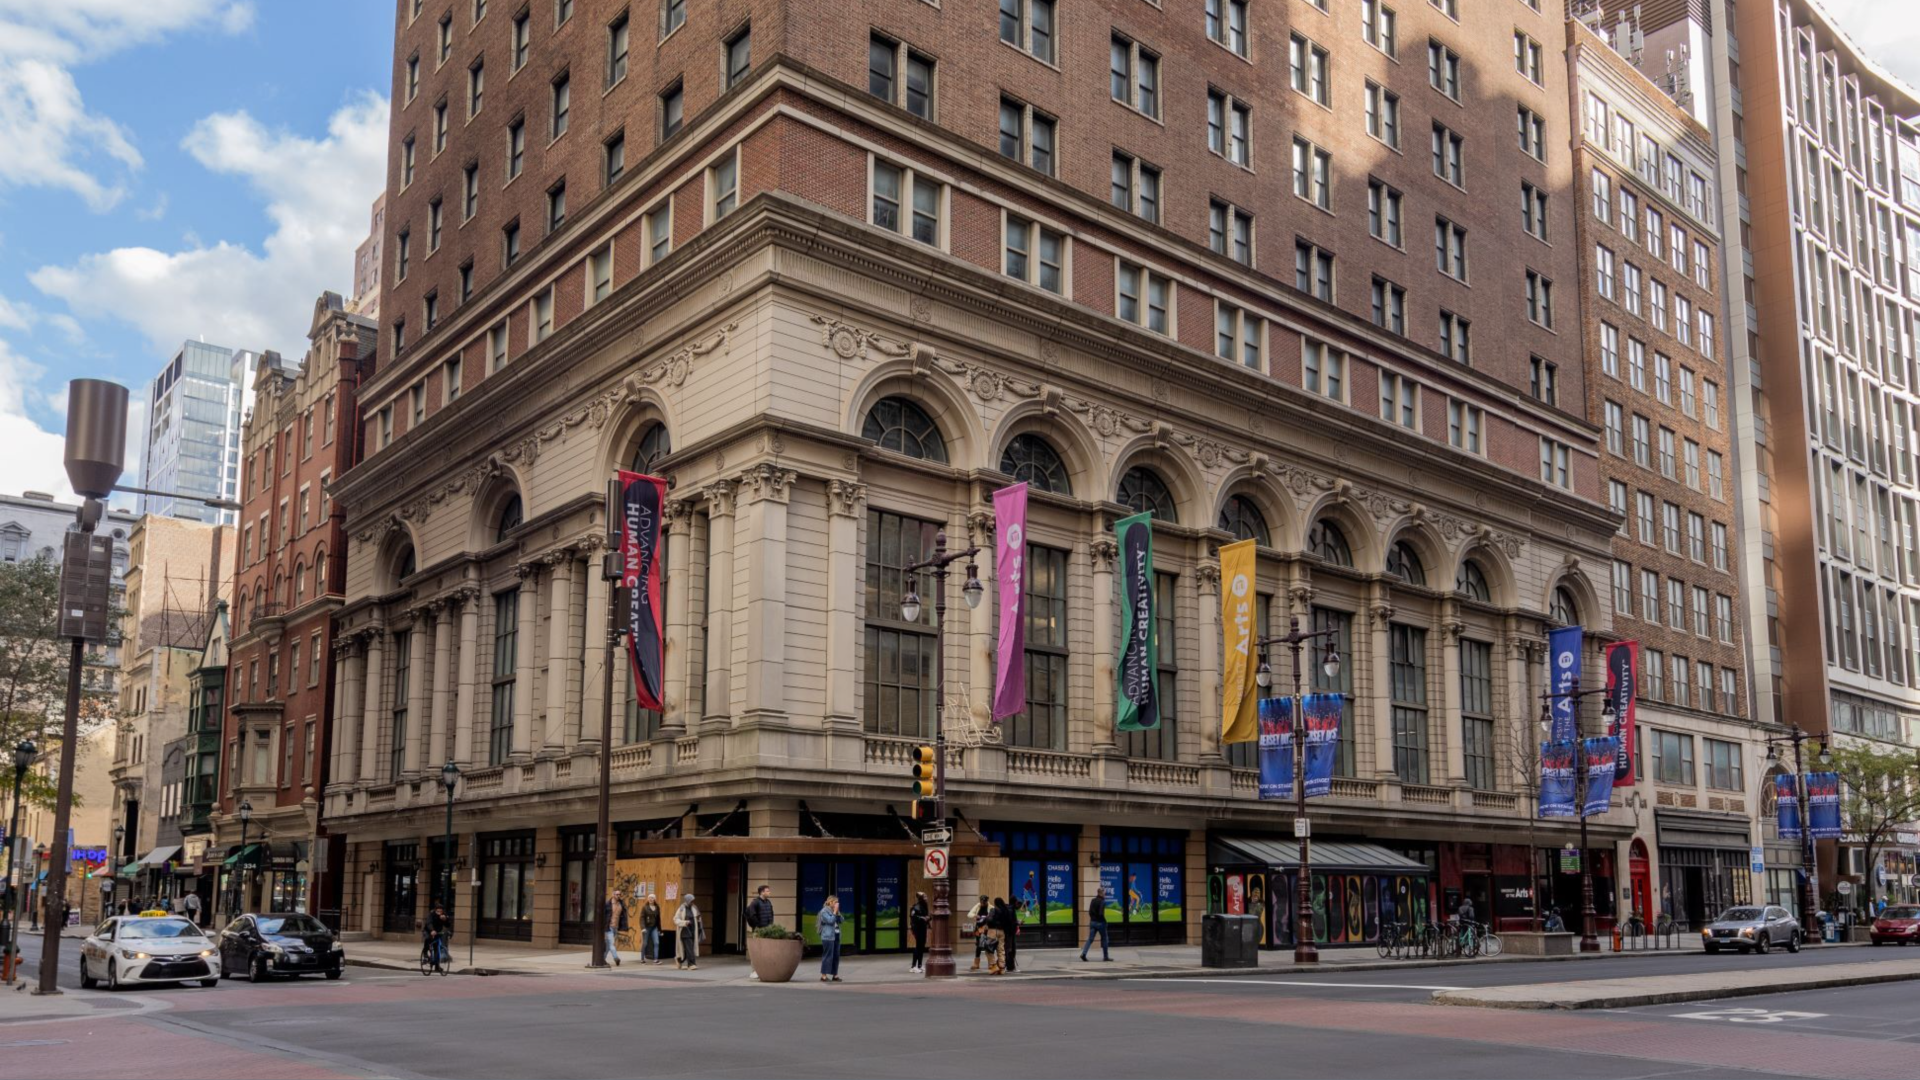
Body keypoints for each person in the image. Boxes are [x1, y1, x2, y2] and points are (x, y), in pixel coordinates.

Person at [745, 885, 775, 980]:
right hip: (758, 930)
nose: (769, 892)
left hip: (768, 930)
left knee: (766, 951)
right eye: (767, 891)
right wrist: (758, 927)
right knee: (756, 951)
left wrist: (770, 926)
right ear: (762, 892)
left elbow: (771, 914)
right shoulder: (755, 903)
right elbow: (753, 916)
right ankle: (754, 971)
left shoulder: (768, 902)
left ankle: (764, 970)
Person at [817, 895, 843, 982]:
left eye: (837, 902)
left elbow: (841, 920)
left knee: (836, 956)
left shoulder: (835, 911)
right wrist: (835, 912)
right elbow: (830, 921)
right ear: (830, 902)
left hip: (836, 935)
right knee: (828, 956)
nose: (837, 904)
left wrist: (837, 912)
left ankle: (835, 975)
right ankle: (823, 976)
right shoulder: (824, 911)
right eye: (835, 902)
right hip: (827, 937)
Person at [1081, 886, 1111, 962]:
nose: (1105, 894)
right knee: (1104, 939)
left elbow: (1090, 912)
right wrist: (1104, 921)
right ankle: (1106, 957)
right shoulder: (1103, 902)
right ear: (1101, 893)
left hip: (1093, 922)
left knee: (1090, 939)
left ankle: (1083, 954)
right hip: (1100, 923)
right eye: (1104, 892)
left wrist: (1093, 919)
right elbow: (1101, 913)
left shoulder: (1093, 900)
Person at [673, 893, 702, 970]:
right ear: (688, 900)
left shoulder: (694, 908)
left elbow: (698, 918)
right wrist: (684, 922)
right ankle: (691, 964)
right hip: (685, 931)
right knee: (689, 948)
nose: (693, 902)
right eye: (691, 900)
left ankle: (679, 959)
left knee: (687, 948)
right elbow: (676, 919)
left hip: (693, 931)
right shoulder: (681, 908)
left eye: (693, 900)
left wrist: (699, 922)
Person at [423, 901, 452, 968]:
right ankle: (425, 954)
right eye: (438, 911)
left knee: (437, 947)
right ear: (435, 910)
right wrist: (432, 930)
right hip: (428, 930)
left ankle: (437, 966)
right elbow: (429, 923)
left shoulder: (443, 915)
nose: (439, 913)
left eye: (440, 911)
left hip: (438, 932)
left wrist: (445, 920)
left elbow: (448, 924)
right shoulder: (431, 914)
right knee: (427, 939)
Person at [604, 891, 628, 967]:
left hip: (616, 927)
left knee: (608, 945)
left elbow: (623, 916)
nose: (618, 895)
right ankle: (616, 958)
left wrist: (624, 925)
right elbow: (603, 916)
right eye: (616, 894)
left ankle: (602, 959)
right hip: (609, 927)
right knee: (612, 943)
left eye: (619, 894)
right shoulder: (608, 904)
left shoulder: (621, 904)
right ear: (613, 895)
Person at [908, 892, 930, 973]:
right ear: (921, 898)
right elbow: (913, 917)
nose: (926, 898)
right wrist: (922, 918)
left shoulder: (924, 906)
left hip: (923, 928)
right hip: (917, 928)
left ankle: (919, 965)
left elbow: (927, 916)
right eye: (925, 897)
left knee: (922, 946)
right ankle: (913, 966)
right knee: (918, 946)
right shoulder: (915, 907)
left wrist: (928, 918)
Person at [969, 896, 991, 971]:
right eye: (981, 902)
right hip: (978, 929)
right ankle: (976, 963)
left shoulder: (991, 907)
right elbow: (969, 914)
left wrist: (988, 919)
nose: (982, 903)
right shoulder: (978, 906)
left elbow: (993, 917)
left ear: (987, 901)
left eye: (984, 902)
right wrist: (975, 915)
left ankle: (990, 963)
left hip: (986, 929)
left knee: (987, 945)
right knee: (978, 945)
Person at [640, 894, 663, 965]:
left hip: (654, 928)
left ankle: (656, 959)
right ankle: (642, 959)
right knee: (645, 943)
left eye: (652, 898)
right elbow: (642, 918)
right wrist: (643, 928)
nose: (650, 899)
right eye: (649, 898)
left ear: (654, 899)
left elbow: (658, 920)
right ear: (648, 899)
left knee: (656, 943)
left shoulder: (657, 907)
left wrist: (660, 930)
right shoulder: (645, 907)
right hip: (646, 928)